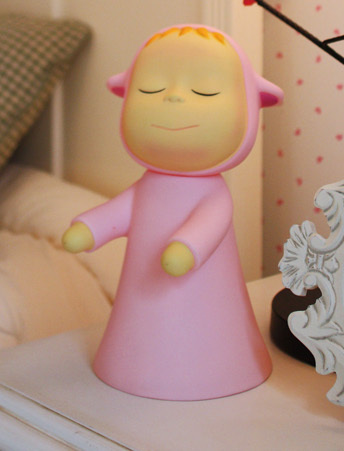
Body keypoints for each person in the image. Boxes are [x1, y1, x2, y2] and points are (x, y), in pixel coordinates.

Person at [62, 25, 281, 400]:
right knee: (139, 319)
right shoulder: (148, 187)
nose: (174, 97)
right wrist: (89, 228)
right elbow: (120, 211)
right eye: (150, 89)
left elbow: (210, 223)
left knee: (209, 326)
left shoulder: (214, 194)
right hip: (136, 320)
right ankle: (131, 364)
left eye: (205, 91)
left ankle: (215, 368)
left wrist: (187, 247)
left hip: (217, 338)